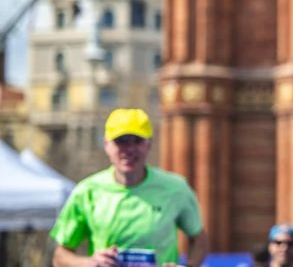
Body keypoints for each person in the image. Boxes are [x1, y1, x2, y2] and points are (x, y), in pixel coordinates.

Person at [50, 108, 208, 267]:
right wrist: (91, 263)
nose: (130, 149)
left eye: (137, 141)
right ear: (106, 145)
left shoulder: (175, 188)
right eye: (121, 141)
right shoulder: (87, 191)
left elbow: (199, 239)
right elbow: (60, 256)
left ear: (149, 145)